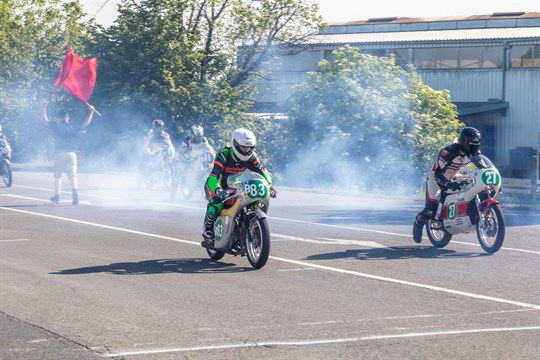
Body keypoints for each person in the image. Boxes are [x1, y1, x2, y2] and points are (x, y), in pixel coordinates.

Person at [201, 128, 277, 247]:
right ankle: (208, 229)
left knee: (252, 201)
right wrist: (218, 190)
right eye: (243, 147)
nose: (246, 150)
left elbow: (262, 170)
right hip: (218, 185)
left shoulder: (252, 157)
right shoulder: (224, 154)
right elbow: (214, 175)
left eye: (249, 147)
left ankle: (245, 227)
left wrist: (269, 184)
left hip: (235, 185)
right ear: (235, 144)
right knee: (217, 202)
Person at [412, 126, 483, 243]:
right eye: (471, 145)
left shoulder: (474, 152)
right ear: (464, 143)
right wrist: (448, 184)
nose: (474, 148)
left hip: (455, 175)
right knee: (430, 210)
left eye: (476, 145)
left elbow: (483, 165)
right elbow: (437, 173)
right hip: (435, 178)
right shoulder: (449, 151)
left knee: (474, 184)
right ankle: (418, 222)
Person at [41, 103, 96, 205]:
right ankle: (75, 190)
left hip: (59, 153)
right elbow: (86, 122)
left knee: (58, 176)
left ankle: (57, 196)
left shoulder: (55, 126)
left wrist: (43, 108)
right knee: (73, 175)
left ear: (59, 118)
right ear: (68, 118)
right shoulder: (73, 125)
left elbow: (45, 121)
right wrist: (91, 111)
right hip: (71, 154)